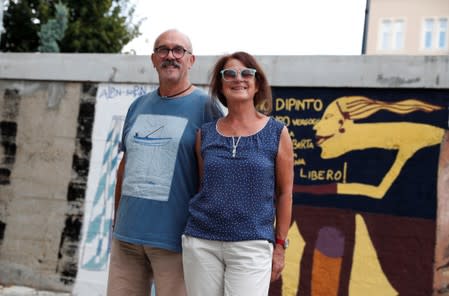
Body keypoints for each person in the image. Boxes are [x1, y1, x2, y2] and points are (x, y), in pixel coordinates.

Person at [107, 29, 223, 296]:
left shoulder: (207, 109)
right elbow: (125, 166)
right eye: (163, 50)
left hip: (176, 241)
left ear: (191, 60)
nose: (170, 56)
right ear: (153, 58)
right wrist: (116, 222)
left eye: (178, 50)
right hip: (127, 239)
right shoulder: (137, 106)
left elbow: (214, 175)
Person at [182, 51, 294, 296]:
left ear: (257, 84)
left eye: (246, 73)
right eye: (229, 74)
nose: (238, 79)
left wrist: (280, 246)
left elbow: (285, 194)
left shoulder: (277, 133)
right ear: (221, 85)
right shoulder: (206, 133)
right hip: (202, 242)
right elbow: (203, 186)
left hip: (252, 245)